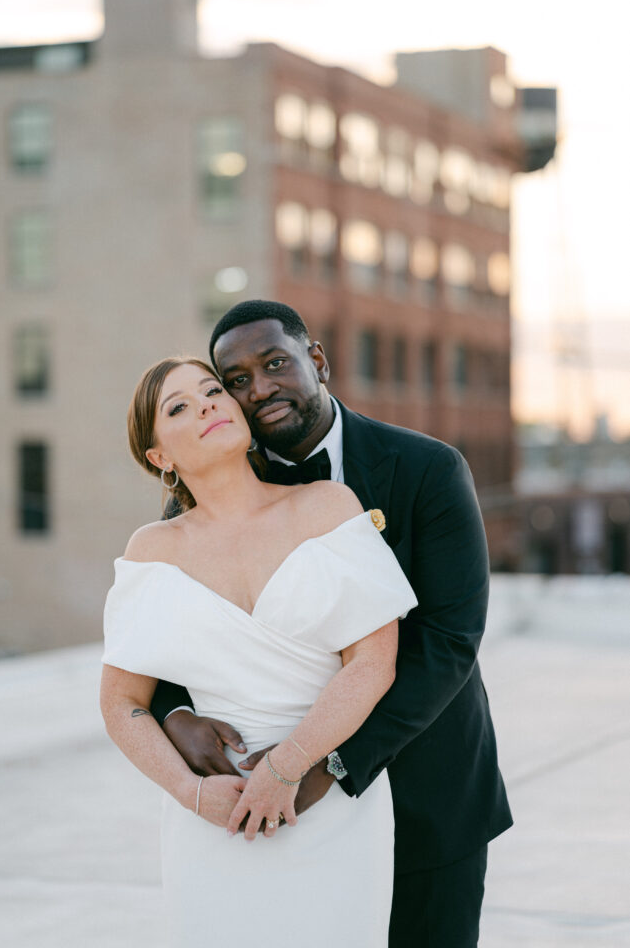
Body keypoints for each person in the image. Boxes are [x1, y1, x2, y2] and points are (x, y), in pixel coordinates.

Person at [151, 300, 513, 948]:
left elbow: (447, 643)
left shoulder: (428, 469)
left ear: (314, 361)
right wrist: (176, 716)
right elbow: (169, 629)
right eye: (236, 380)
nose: (259, 388)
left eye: (274, 364)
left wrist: (324, 766)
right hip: (267, 811)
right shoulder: (214, 483)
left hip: (426, 792)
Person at [100, 355, 418, 947]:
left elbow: (374, 662)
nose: (207, 405)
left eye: (213, 390)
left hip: (329, 802)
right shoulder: (151, 551)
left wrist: (285, 766)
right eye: (178, 407)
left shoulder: (326, 506)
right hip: (213, 815)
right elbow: (121, 703)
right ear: (159, 458)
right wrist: (190, 792)